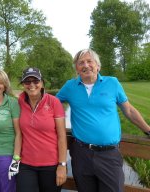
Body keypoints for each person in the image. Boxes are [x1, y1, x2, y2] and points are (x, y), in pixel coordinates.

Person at [56, 48, 150, 192]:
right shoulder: (70, 86)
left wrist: (148, 130)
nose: (86, 65)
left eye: (89, 61)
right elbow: (50, 105)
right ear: (76, 68)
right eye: (81, 63)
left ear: (98, 66)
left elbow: (129, 111)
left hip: (109, 155)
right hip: (81, 154)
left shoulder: (112, 83)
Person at [16, 67, 67, 192]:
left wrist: (62, 165)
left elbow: (62, 136)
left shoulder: (54, 102)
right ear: (23, 84)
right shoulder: (19, 102)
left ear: (42, 83)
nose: (32, 85)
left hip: (51, 165)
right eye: (27, 82)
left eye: (36, 81)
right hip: (26, 164)